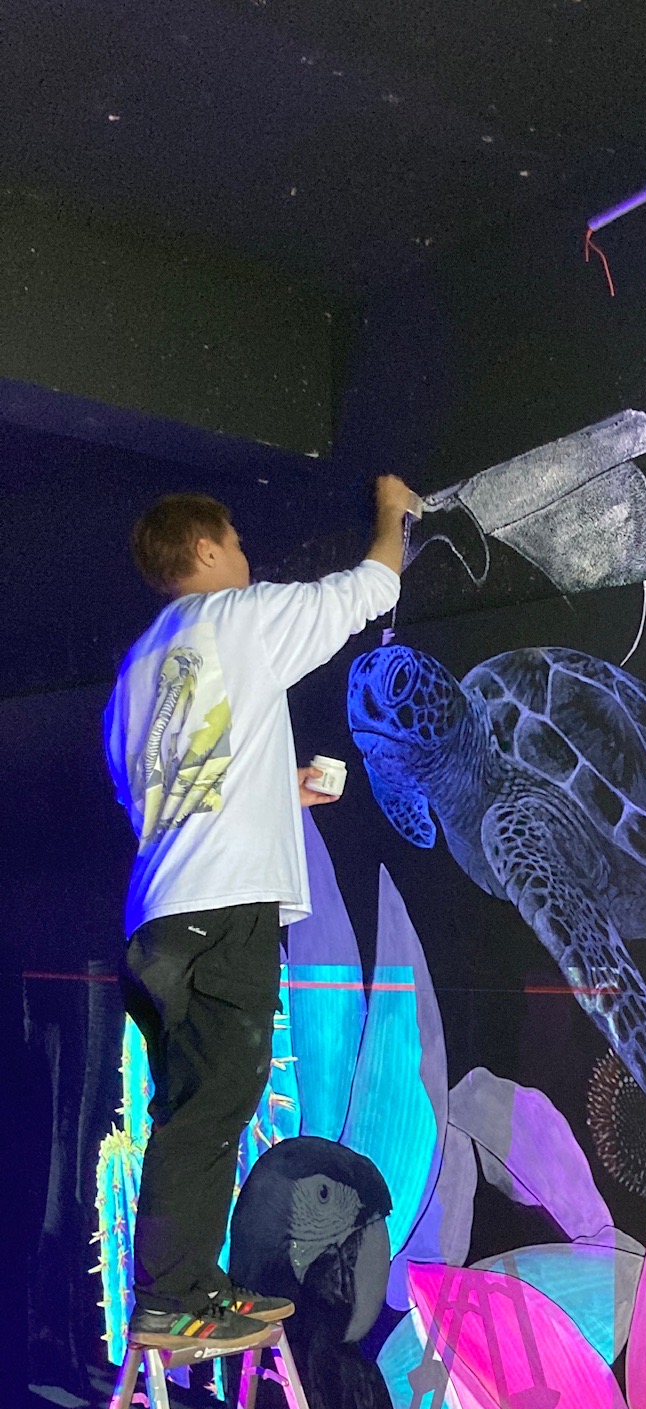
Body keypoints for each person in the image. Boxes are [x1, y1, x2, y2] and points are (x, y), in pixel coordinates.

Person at [104, 475, 420, 1349]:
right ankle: (173, 1297)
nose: (246, 556)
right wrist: (392, 514)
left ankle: (189, 1285)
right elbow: (368, 589)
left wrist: (279, 793)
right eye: (236, 542)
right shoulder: (237, 618)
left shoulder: (137, 671)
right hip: (221, 914)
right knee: (211, 1111)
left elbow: (164, 795)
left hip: (159, 921)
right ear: (205, 547)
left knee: (190, 1110)